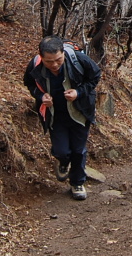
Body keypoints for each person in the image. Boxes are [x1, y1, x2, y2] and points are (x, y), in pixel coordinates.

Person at [23, 36, 101, 200]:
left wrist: (78, 92)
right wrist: (40, 96)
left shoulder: (78, 59)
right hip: (55, 115)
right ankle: (63, 162)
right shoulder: (35, 65)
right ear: (41, 57)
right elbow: (29, 84)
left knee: (78, 150)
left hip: (79, 112)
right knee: (61, 150)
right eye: (49, 61)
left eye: (58, 60)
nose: (54, 65)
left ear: (63, 53)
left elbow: (95, 76)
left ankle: (77, 183)